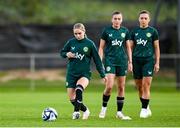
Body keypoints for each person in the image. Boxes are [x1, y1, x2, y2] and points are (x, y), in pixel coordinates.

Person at [60, 23, 107, 120]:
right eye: (75, 34)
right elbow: (62, 52)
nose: (77, 35)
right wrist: (67, 54)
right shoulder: (71, 42)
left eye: (79, 33)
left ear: (84, 31)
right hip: (71, 74)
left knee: (79, 89)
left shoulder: (89, 44)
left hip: (84, 74)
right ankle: (85, 110)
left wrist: (102, 74)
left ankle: (76, 112)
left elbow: (97, 60)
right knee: (72, 98)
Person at [98, 11, 132, 120]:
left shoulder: (125, 31)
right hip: (110, 61)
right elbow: (101, 48)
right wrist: (100, 61)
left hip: (122, 61)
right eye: (115, 18)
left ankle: (119, 112)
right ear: (112, 20)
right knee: (109, 86)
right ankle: (103, 108)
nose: (117, 20)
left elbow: (128, 48)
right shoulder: (106, 31)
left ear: (121, 20)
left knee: (121, 87)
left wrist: (130, 62)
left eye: (119, 19)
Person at [129, 10, 160, 118]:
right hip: (136, 61)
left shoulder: (153, 31)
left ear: (149, 20)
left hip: (148, 61)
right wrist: (130, 62)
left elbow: (156, 48)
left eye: (145, 18)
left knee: (146, 85)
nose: (143, 20)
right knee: (139, 86)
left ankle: (143, 110)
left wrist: (157, 62)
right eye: (142, 18)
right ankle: (146, 106)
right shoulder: (134, 32)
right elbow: (130, 47)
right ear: (139, 19)